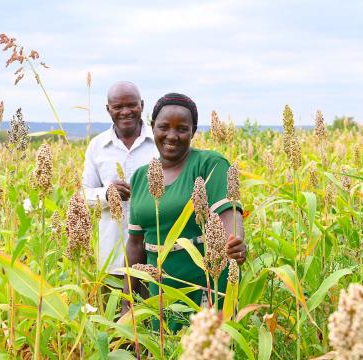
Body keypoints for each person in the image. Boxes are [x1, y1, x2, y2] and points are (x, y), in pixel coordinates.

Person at [123, 93, 246, 328]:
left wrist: (235, 242)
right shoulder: (141, 176)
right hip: (158, 291)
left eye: (182, 128)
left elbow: (229, 215)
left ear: (193, 131)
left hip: (206, 287)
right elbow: (136, 244)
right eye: (163, 127)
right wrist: (127, 304)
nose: (172, 135)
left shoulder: (209, 164)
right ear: (152, 127)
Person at [82, 81, 158, 277]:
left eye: (131, 105)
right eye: (118, 107)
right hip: (112, 256)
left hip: (154, 255)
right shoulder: (97, 146)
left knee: (155, 306)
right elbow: (84, 195)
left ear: (142, 105)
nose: (125, 111)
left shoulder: (160, 142)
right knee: (113, 307)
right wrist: (108, 194)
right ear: (108, 110)